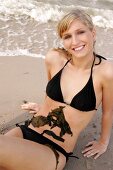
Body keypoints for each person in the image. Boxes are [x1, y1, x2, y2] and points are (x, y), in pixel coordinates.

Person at [0, 9, 113, 170]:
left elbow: (108, 112)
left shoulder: (106, 72)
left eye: (80, 32)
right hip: (27, 130)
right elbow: (50, 96)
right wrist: (42, 107)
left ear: (93, 33)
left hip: (54, 150)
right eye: (67, 36)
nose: (74, 41)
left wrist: (103, 142)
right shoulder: (54, 58)